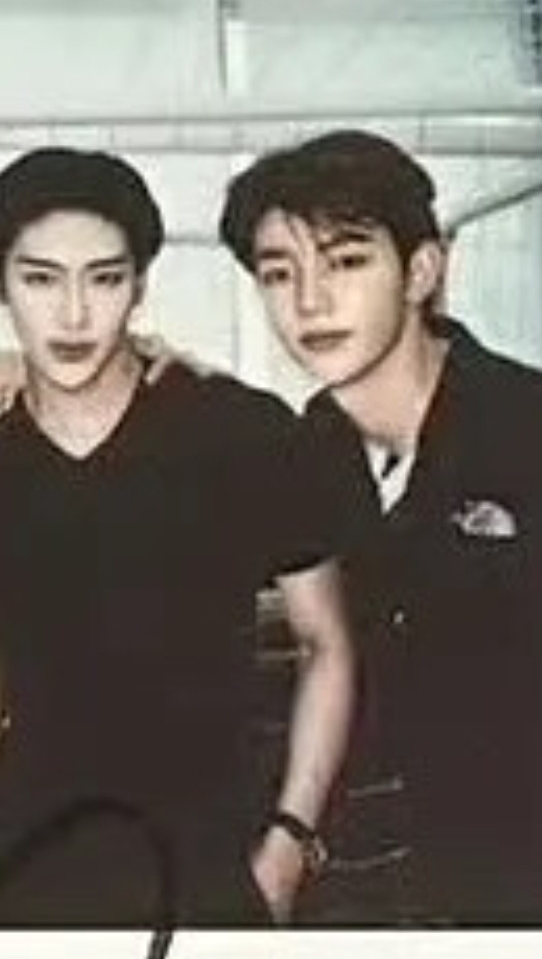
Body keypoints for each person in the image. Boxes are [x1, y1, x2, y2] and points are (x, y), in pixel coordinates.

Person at [0, 147, 354, 926]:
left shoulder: (243, 435)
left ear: (140, 285)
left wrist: (289, 843)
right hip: (24, 865)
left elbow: (326, 641)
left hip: (212, 859)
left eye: (104, 278)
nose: (73, 315)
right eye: (40, 279)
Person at [218, 128, 542, 924]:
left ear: (421, 271)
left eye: (346, 260)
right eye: (279, 273)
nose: (309, 301)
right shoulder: (312, 446)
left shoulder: (524, 426)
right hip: (383, 881)